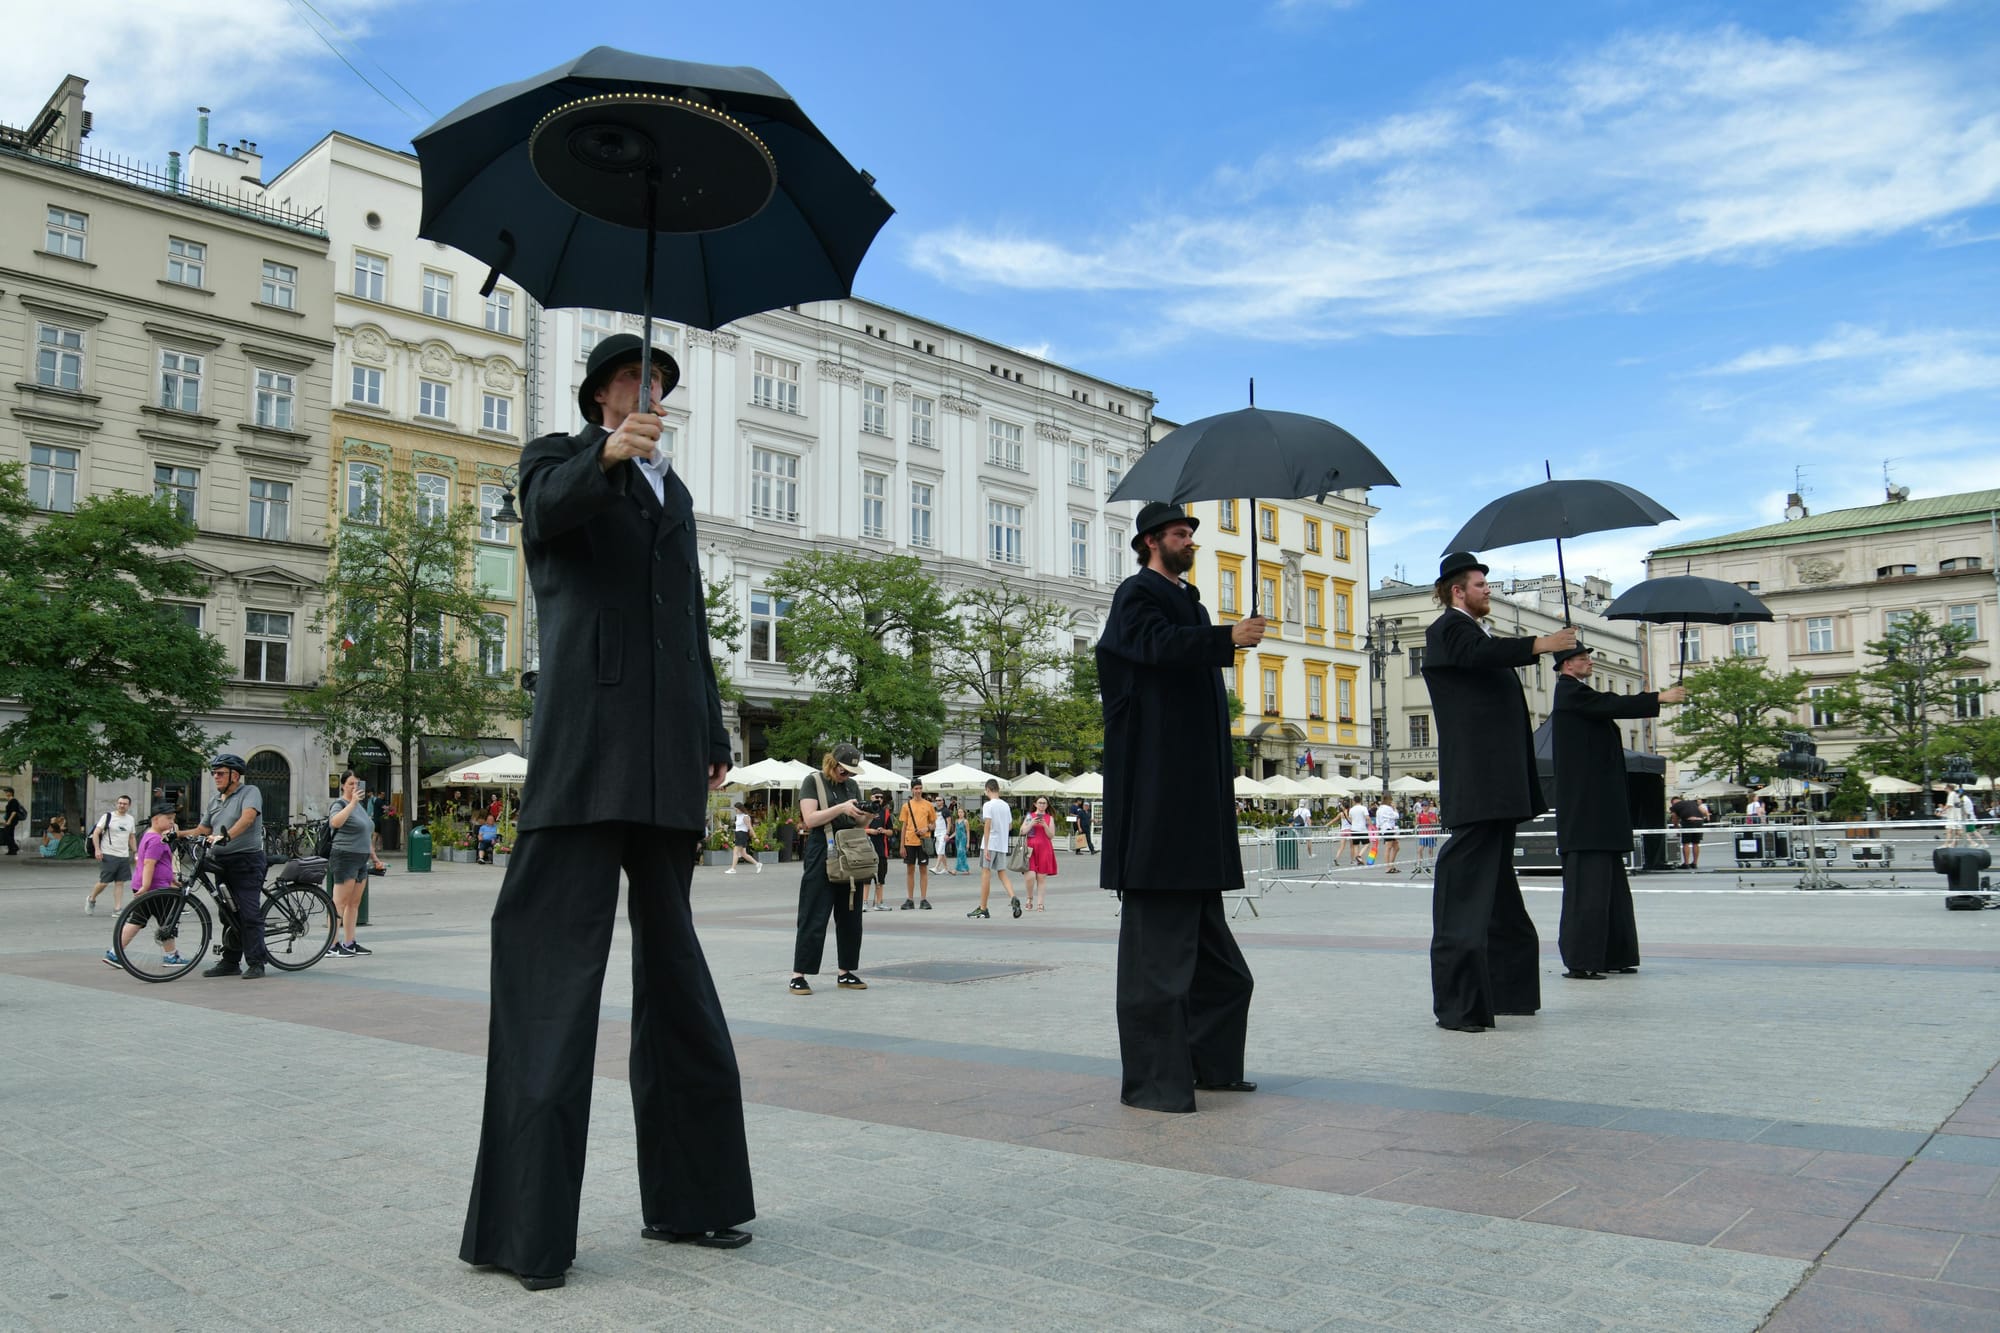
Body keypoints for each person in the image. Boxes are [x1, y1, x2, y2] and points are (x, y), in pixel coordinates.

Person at [460, 334, 753, 1291]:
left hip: (668, 760)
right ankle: (523, 1228)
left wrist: (713, 730)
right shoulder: (557, 455)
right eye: (634, 380)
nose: (650, 392)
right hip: (586, 753)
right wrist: (605, 457)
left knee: (678, 986)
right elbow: (544, 517)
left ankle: (695, 1201)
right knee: (551, 985)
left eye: (660, 382)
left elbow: (691, 622)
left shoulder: (678, 496)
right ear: (598, 397)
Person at [1098, 501, 1263, 1112]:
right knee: (1157, 966)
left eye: (1191, 532)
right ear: (1150, 541)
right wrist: (1224, 638)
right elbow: (1150, 646)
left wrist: (1217, 634)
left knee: (1225, 973)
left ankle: (1210, 1067)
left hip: (1197, 800)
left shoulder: (1191, 601)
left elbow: (1184, 645)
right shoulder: (1136, 594)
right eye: (1178, 533)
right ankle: (1153, 1083)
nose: (1189, 539)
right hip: (1161, 797)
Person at [1422, 552, 1576, 1033]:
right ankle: (1458, 1004)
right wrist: (1540, 642)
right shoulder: (1448, 629)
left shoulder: (1474, 630)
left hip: (1497, 784)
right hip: (1480, 783)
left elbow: (1487, 656)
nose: (1489, 590)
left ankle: (1506, 992)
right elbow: (1480, 657)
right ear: (1456, 591)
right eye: (1480, 584)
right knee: (1466, 892)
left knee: (1498, 896)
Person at [1550, 645, 1683, 980]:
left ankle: (1615, 953)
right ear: (1567, 665)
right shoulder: (1570, 694)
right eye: (1583, 659)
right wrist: (1658, 698)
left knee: (1611, 892)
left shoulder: (1580, 695)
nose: (1589, 662)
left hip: (1598, 814)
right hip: (1586, 817)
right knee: (1590, 892)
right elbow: (1612, 703)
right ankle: (1584, 958)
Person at [790, 744, 870, 993]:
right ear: (832, 764)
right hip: (821, 850)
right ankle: (799, 974)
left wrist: (868, 815)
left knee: (850, 915)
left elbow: (859, 824)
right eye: (845, 771)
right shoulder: (812, 781)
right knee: (814, 914)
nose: (848, 777)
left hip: (849, 851)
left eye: (852, 773)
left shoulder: (851, 786)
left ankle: (846, 971)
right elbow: (810, 818)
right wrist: (841, 807)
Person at [192, 754, 271, 980]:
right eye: (214, 773)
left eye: (220, 773)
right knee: (227, 914)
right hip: (222, 864)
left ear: (234, 775)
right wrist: (176, 834)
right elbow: (202, 830)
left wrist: (225, 837)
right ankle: (230, 962)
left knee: (248, 913)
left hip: (246, 862)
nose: (215, 776)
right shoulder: (215, 800)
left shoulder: (250, 792)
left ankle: (257, 962)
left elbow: (247, 819)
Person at [104, 801, 188, 969]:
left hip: (153, 886)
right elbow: (149, 864)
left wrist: (172, 880)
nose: (172, 822)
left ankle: (115, 953)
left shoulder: (150, 835)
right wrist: (146, 886)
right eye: (169, 819)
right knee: (164, 921)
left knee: (140, 920)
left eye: (173, 819)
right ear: (156, 819)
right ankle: (171, 956)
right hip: (154, 889)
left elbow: (162, 864)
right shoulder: (156, 840)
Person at [326, 773, 388, 959]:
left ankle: (350, 942)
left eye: (357, 783)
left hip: (361, 859)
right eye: (350, 783)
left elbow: (366, 835)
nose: (354, 787)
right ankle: (332, 944)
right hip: (345, 856)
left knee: (354, 903)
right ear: (343, 786)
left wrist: (375, 858)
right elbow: (335, 822)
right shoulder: (340, 804)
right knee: (339, 903)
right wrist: (352, 802)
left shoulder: (360, 807)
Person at [971, 779, 1021, 919]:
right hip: (1002, 844)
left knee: (986, 874)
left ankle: (983, 907)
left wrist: (986, 847)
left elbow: (987, 824)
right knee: (1002, 873)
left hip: (991, 843)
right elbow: (1010, 826)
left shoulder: (988, 805)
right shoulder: (1005, 806)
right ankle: (1013, 897)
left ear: (988, 789)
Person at [87, 795, 138, 914]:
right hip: (108, 853)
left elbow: (131, 837)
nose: (122, 805)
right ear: (116, 804)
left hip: (123, 855)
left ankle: (117, 908)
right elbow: (96, 833)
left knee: (120, 882)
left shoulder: (130, 819)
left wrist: (136, 852)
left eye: (124, 804)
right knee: (104, 882)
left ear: (129, 806)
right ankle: (92, 898)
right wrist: (97, 850)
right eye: (120, 803)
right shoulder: (108, 817)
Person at [900, 778, 937, 909]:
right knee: (910, 870)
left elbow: (933, 825)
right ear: (912, 790)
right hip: (910, 841)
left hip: (923, 841)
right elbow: (903, 826)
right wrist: (901, 845)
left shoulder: (928, 805)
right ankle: (909, 899)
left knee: (923, 869)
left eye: (920, 788)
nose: (918, 791)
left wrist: (926, 829)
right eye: (916, 788)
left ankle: (923, 899)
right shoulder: (906, 806)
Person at [1022, 795, 1059, 911]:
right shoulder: (1030, 816)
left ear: (1047, 805)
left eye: (1044, 803)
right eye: (1040, 803)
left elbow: (1051, 835)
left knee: (1041, 877)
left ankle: (1040, 904)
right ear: (1035, 804)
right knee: (1030, 876)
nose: (1042, 805)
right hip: (1030, 849)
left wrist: (1044, 825)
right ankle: (1029, 898)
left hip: (1044, 849)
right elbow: (1022, 831)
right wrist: (1031, 823)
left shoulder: (1049, 818)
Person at [863, 789, 894, 910]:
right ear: (871, 797)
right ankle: (864, 902)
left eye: (881, 797)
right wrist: (869, 831)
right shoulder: (864, 811)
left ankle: (879, 902)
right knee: (866, 879)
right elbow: (857, 829)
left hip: (881, 849)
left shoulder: (885, 813)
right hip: (866, 850)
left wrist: (884, 831)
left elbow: (891, 831)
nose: (879, 799)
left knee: (881, 878)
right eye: (876, 797)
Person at [1670, 792, 1710, 868]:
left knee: (1686, 843)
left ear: (1672, 802)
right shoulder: (1692, 802)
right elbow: (1704, 812)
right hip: (1699, 822)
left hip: (1688, 822)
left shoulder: (1675, 806)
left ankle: (1686, 863)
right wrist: (1706, 817)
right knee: (1696, 843)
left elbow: (1674, 819)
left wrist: (1676, 828)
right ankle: (1695, 863)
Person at [725, 803, 760, 873]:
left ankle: (733, 869)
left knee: (735, 852)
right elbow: (738, 827)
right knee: (744, 854)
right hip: (738, 835)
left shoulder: (745, 817)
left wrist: (755, 837)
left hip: (742, 835)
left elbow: (750, 827)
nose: (735, 811)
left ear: (740, 809)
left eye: (736, 809)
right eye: (735, 809)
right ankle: (758, 864)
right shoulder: (738, 816)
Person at [1414, 799, 1441, 874]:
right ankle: (1419, 864)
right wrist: (1416, 818)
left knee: (1430, 849)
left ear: (1428, 806)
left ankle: (1429, 863)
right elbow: (1417, 824)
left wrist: (1428, 817)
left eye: (1425, 805)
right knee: (1420, 849)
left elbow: (1435, 822)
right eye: (1423, 805)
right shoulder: (1420, 814)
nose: (1424, 807)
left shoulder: (1432, 814)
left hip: (1430, 833)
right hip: (1423, 834)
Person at [1344, 796, 1372, 866]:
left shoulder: (1351, 809)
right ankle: (1359, 856)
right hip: (1362, 829)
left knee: (1356, 845)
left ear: (1354, 801)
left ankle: (1358, 860)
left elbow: (1350, 820)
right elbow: (1367, 818)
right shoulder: (1363, 808)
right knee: (1367, 844)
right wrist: (1370, 825)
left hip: (1354, 829)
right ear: (1361, 801)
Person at [1375, 799, 1401, 872]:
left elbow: (1378, 821)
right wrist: (1395, 808)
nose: (1393, 803)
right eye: (1392, 802)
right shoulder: (1388, 808)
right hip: (1388, 828)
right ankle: (1388, 867)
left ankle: (1391, 865)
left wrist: (1378, 829)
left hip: (1386, 829)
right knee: (1388, 848)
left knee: (1396, 847)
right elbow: (1396, 816)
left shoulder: (1379, 809)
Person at [0, 786, 22, 854]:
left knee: (6, 834)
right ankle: (12, 850)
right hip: (9, 820)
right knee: (10, 834)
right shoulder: (10, 801)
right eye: (6, 792)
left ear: (11, 793)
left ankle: (15, 847)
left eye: (7, 792)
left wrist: (9, 820)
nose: (6, 793)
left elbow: (14, 812)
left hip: (12, 820)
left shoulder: (14, 801)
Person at [953, 804, 971, 875]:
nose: (960, 813)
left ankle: (955, 870)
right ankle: (966, 869)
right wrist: (949, 837)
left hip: (963, 839)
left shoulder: (965, 821)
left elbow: (968, 832)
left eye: (961, 812)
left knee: (960, 852)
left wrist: (968, 843)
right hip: (957, 839)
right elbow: (955, 832)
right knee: (961, 854)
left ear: (964, 813)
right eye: (959, 812)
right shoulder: (956, 821)